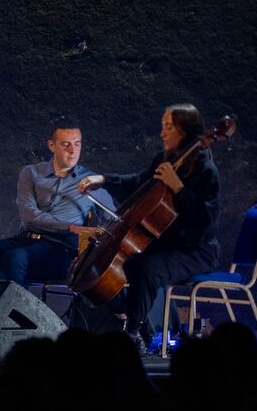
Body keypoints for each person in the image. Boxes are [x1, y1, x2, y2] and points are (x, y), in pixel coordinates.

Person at [78, 104, 219, 354]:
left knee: (146, 269)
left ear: (186, 131)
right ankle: (140, 332)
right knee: (130, 263)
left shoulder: (206, 171)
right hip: (168, 242)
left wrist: (179, 188)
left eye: (168, 127)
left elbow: (204, 222)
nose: (162, 133)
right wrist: (103, 179)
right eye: (163, 126)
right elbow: (138, 183)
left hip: (196, 249)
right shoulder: (165, 160)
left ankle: (132, 334)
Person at [0, 120, 112, 286]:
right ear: (51, 145)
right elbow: (30, 217)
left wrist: (91, 247)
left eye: (77, 144)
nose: (73, 151)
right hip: (24, 240)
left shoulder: (92, 182)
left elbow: (111, 223)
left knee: (15, 257)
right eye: (66, 145)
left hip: (59, 249)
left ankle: (17, 312)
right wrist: (70, 227)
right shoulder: (31, 173)